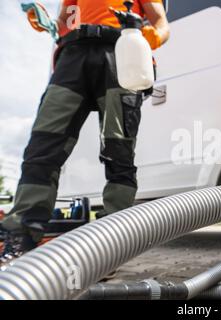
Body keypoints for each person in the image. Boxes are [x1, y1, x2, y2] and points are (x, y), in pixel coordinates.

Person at [0, 0, 170, 268]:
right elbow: (66, 23)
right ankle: (20, 237)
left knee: (119, 149)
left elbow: (161, 24)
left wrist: (147, 35)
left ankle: (115, 239)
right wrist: (46, 21)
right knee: (44, 143)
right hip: (73, 56)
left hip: (121, 53)